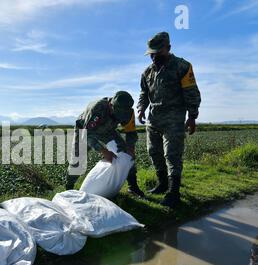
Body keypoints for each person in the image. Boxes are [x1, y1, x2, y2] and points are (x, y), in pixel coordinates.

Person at [137, 31, 201, 208]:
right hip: (153, 120)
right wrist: (141, 108)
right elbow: (144, 93)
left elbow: (191, 92)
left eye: (158, 52)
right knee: (154, 153)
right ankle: (162, 183)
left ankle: (174, 192)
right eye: (152, 53)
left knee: (172, 155)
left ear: (168, 48)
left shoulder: (182, 66)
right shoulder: (147, 72)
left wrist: (192, 117)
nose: (154, 56)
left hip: (174, 119)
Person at [65, 91, 144, 197]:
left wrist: (131, 148)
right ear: (111, 105)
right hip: (86, 130)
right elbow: (86, 135)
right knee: (78, 160)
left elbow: (131, 133)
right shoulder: (97, 108)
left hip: (108, 130)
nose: (121, 116)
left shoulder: (128, 112)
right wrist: (104, 151)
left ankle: (133, 187)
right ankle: (68, 190)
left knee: (126, 154)